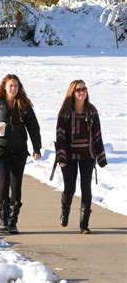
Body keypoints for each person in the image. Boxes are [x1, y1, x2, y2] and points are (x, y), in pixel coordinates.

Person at [0, 74, 41, 234]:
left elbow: (33, 127)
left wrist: (37, 148)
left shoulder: (24, 105)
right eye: (11, 86)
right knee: (4, 182)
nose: (13, 88)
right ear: (5, 87)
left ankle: (13, 221)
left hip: (19, 150)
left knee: (16, 184)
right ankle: (3, 219)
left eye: (16, 86)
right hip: (0, 149)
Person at [55, 80, 107, 234]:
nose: (82, 92)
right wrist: (61, 156)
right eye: (78, 89)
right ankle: (65, 209)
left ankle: (84, 225)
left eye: (84, 89)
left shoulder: (91, 111)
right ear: (72, 92)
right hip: (69, 156)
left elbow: (97, 134)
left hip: (87, 155)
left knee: (86, 188)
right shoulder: (65, 112)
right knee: (69, 188)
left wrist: (101, 156)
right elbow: (60, 136)